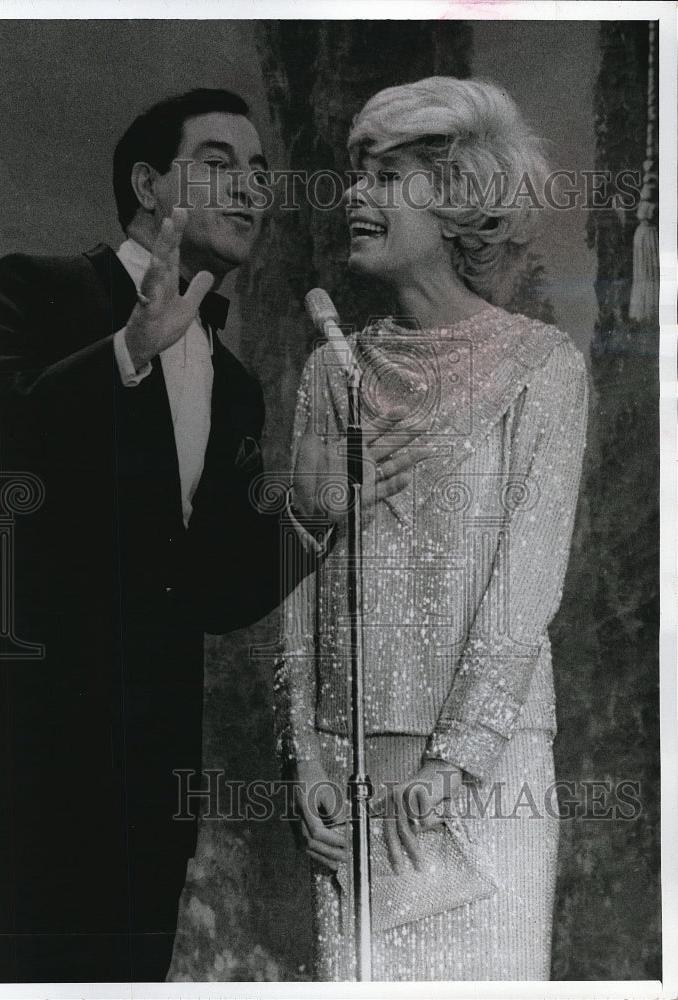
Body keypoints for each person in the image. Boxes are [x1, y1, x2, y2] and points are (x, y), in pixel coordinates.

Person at [0, 87, 417, 985]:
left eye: (261, 173)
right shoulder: (31, 287)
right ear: (149, 184)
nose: (249, 188)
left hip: (151, 774)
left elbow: (207, 590)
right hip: (21, 753)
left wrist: (308, 520)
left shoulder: (235, 385)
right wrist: (125, 350)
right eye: (218, 162)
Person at [276, 77, 589, 981]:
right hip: (348, 771)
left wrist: (453, 767)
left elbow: (523, 592)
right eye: (355, 174)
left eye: (383, 176)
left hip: (486, 778)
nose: (353, 196)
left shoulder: (544, 368)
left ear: (456, 197)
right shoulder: (331, 372)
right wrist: (305, 761)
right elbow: (295, 585)